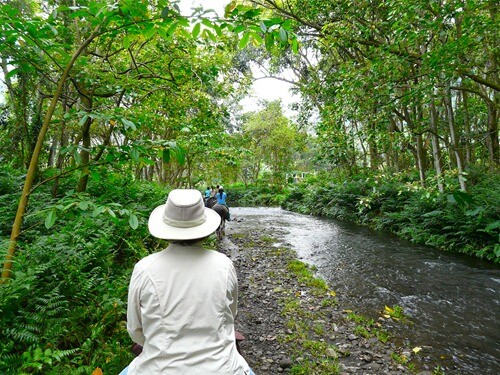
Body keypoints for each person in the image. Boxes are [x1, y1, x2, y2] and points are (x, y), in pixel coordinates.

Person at [120, 189, 253, 374]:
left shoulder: (144, 269)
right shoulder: (224, 264)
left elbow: (135, 330)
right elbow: (231, 314)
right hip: (223, 368)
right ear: (204, 228)